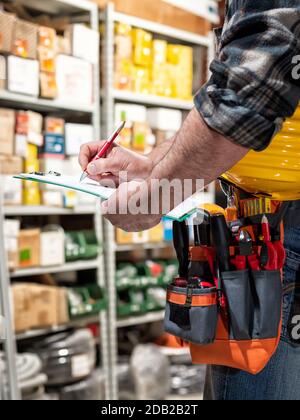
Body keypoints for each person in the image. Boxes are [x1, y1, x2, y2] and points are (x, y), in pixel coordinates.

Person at [79, 1, 300, 400]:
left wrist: (154, 197)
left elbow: (243, 101)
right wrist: (151, 166)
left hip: (281, 240)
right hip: (269, 229)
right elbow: (228, 104)